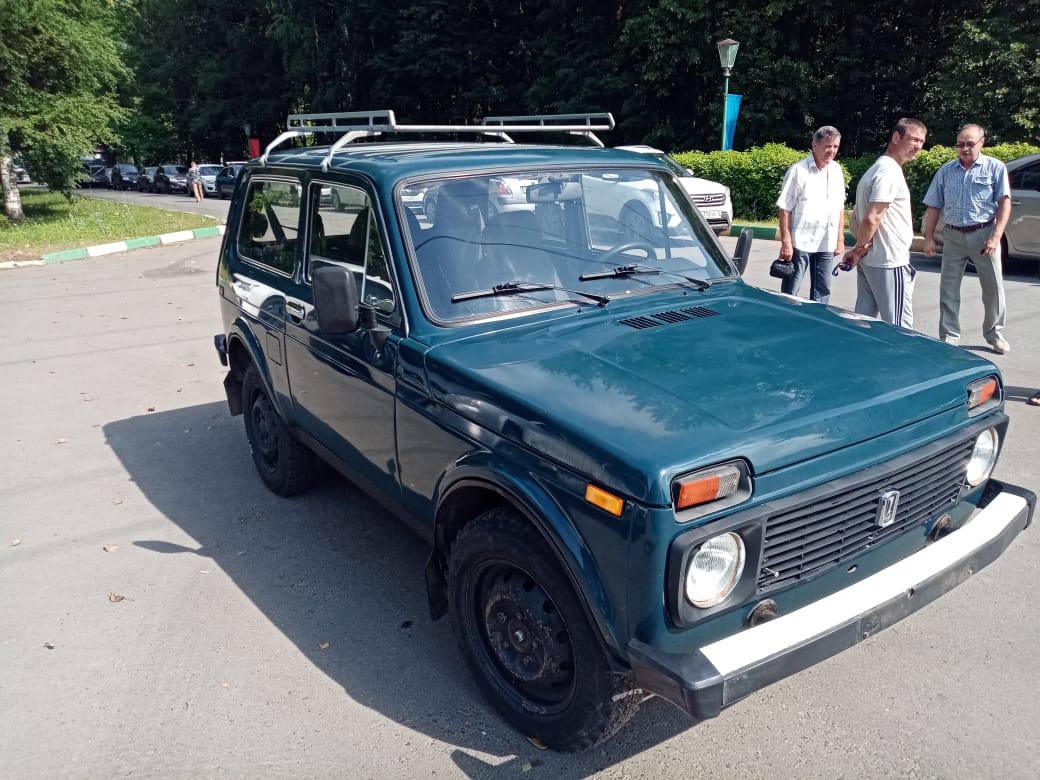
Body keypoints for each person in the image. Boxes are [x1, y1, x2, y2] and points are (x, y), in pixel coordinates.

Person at [922, 124, 1012, 354]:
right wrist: (929, 237)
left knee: (993, 289)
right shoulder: (945, 171)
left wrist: (995, 236)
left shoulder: (995, 168)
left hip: (984, 234)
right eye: (960, 144)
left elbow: (1004, 203)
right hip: (953, 236)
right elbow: (934, 206)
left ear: (982, 142)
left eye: (970, 143)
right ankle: (949, 335)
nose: (964, 148)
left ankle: (994, 334)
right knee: (948, 289)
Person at [842, 118, 927, 328]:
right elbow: (872, 217)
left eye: (921, 141)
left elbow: (855, 217)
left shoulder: (876, 168)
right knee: (899, 328)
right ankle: (903, 363)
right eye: (913, 139)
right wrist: (859, 248)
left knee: (863, 323)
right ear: (896, 137)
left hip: (871, 261)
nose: (917, 146)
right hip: (889, 261)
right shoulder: (889, 171)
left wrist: (857, 250)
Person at [775, 126, 846, 303]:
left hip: (826, 242)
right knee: (791, 289)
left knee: (823, 290)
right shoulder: (798, 171)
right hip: (801, 242)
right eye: (828, 146)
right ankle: (787, 324)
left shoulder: (836, 170)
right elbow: (785, 209)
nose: (832, 151)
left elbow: (840, 207)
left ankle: (819, 325)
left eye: (836, 147)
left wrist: (840, 238)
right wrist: (786, 242)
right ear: (814, 145)